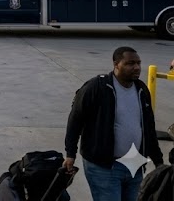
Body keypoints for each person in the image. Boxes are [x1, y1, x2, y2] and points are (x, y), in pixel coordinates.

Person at [63, 46, 163, 201]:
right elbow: (75, 119)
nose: (136, 67)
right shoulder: (97, 87)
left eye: (138, 63)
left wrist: (159, 161)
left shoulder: (141, 89)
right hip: (104, 166)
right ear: (116, 65)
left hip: (134, 163)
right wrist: (70, 153)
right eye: (130, 63)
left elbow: (148, 128)